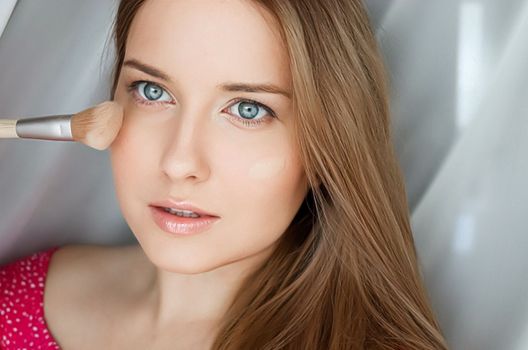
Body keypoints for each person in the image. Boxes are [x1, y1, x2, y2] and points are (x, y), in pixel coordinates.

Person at [0, 0, 449, 349]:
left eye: (248, 110)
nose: (179, 162)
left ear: (327, 145)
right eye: (153, 91)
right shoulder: (21, 294)